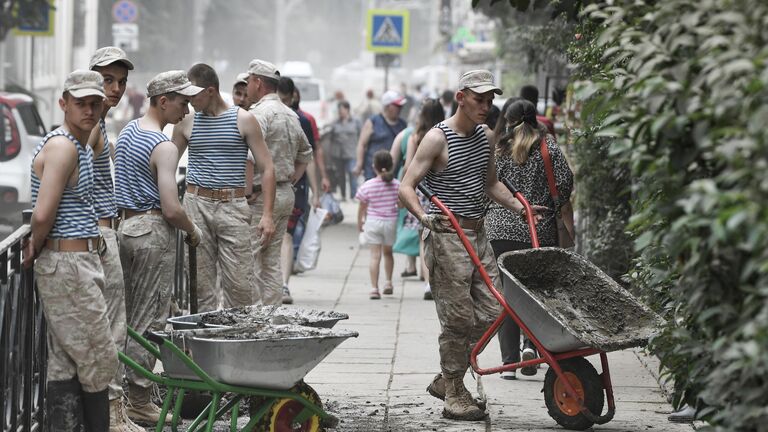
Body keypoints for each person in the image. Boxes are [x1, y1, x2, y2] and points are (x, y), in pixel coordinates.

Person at [399, 70, 547, 421]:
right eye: (479, 99)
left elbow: (491, 183)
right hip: (447, 234)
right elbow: (406, 186)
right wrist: (424, 217)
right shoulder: (438, 139)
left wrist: (520, 207)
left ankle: (448, 377)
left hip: (477, 233)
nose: (486, 106)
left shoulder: (483, 136)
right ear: (460, 97)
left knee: (495, 311)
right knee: (459, 317)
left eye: (490, 100)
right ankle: (454, 391)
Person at [24, 70, 117, 431]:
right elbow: (44, 212)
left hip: (74, 262)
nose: (89, 111)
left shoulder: (77, 143)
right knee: (99, 359)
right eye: (81, 103)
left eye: (95, 103)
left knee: (66, 361)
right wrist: (35, 243)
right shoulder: (63, 146)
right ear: (63, 103)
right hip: (67, 264)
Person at [114, 70, 203, 425]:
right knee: (150, 318)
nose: (187, 109)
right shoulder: (164, 147)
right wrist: (192, 229)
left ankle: (122, 394)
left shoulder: (129, 131)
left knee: (130, 317)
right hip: (153, 231)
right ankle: (137, 399)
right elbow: (171, 207)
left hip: (127, 228)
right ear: (163, 101)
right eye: (182, 102)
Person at [172, 63, 276, 312]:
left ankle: (239, 342)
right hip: (196, 204)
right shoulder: (186, 122)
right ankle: (204, 346)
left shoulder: (243, 120)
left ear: (210, 91)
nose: (189, 102)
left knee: (240, 286)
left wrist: (268, 215)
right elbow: (167, 164)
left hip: (233, 206)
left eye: (193, 95)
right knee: (199, 287)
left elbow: (267, 167)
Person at [486, 99, 573, 380]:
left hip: (499, 230)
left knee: (507, 295)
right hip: (537, 229)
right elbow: (564, 184)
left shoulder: (499, 148)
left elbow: (487, 184)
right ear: (535, 118)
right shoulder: (549, 148)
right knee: (534, 293)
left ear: (508, 121)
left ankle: (508, 363)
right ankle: (530, 346)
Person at [85, 46, 145, 432]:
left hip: (104, 233)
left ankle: (110, 413)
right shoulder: (89, 124)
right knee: (111, 331)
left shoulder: (102, 121)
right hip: (95, 236)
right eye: (108, 80)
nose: (116, 88)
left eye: (121, 81)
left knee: (110, 329)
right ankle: (110, 415)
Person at [245, 59, 313, 305]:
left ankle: (251, 318)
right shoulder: (290, 114)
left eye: (249, 81)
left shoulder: (258, 115)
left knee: (249, 259)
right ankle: (271, 316)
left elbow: (250, 156)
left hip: (261, 197)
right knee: (272, 261)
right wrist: (291, 178)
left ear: (258, 83)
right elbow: (306, 155)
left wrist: (248, 189)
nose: (247, 87)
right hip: (285, 193)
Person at [400, 98, 446, 300]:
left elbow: (408, 166)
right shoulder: (445, 135)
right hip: (441, 192)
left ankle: (427, 280)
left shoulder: (416, 136)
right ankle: (429, 278)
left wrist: (402, 190)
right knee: (440, 239)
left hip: (421, 191)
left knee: (423, 237)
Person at [279, 77, 319, 304]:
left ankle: (284, 285)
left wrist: (316, 192)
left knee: (286, 235)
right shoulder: (262, 117)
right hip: (269, 187)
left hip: (295, 187)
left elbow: (309, 157)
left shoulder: (301, 121)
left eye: (286, 99)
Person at [356, 150, 400, 300]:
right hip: (390, 222)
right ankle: (388, 283)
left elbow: (362, 206)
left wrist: (360, 222)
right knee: (388, 253)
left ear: (374, 166)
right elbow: (400, 205)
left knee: (375, 255)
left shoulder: (368, 185)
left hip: (373, 222)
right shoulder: (397, 185)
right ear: (391, 166)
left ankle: (374, 288)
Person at [354, 90, 407, 181]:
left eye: (400, 106)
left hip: (394, 172)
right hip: (373, 171)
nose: (399, 108)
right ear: (387, 106)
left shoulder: (403, 125)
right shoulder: (373, 122)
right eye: (396, 106)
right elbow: (362, 144)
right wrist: (359, 164)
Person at [328, 100, 360, 200]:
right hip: (338, 154)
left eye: (342, 109)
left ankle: (353, 195)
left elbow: (360, 135)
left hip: (351, 152)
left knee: (352, 173)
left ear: (347, 110)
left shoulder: (356, 122)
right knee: (340, 175)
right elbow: (331, 137)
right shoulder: (335, 123)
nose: (340, 112)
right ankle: (343, 195)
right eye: (339, 110)